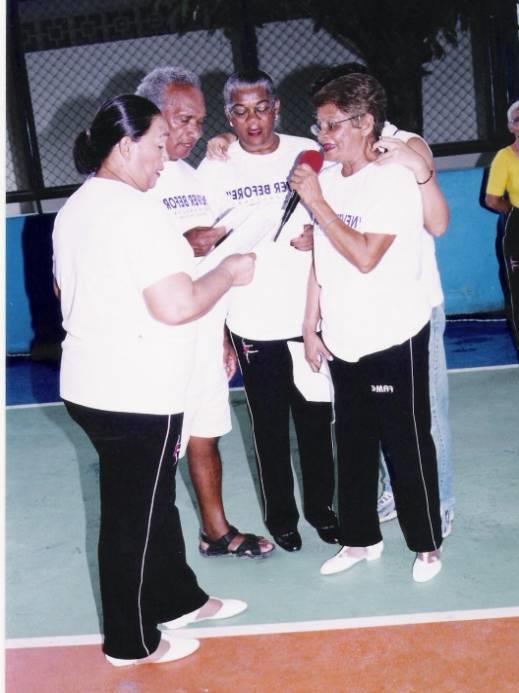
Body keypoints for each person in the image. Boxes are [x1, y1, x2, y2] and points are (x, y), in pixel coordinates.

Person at [52, 94, 255, 666]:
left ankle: (176, 598)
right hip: (134, 392)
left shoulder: (78, 208)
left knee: (148, 500)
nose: (166, 159)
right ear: (127, 144)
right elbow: (177, 303)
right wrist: (231, 272)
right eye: (159, 145)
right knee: (131, 516)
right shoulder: (135, 212)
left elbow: (68, 293)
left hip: (95, 384)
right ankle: (130, 641)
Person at [290, 73, 443, 582]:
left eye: (332, 124)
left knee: (406, 440)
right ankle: (359, 540)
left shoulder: (390, 181)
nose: (322, 135)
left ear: (365, 123)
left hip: (392, 333)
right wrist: (310, 326)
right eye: (319, 124)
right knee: (351, 442)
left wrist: (317, 204)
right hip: (344, 336)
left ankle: (426, 546)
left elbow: (363, 256)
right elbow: (322, 263)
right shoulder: (329, 181)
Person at [135, 66, 274, 559]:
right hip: (158, 337)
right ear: (153, 117)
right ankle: (152, 546)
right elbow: (126, 258)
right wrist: (183, 246)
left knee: (205, 432)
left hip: (203, 329)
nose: (193, 133)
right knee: (156, 450)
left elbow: (208, 260)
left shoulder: (192, 175)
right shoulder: (131, 175)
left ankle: (216, 532)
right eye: (183, 120)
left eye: (199, 122)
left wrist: (219, 334)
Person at [197, 69, 338, 552]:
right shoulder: (216, 165)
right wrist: (216, 330)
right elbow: (202, 248)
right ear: (227, 116)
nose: (252, 120)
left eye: (261, 108)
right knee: (270, 428)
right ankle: (282, 518)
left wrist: (318, 237)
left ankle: (322, 510)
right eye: (240, 110)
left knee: (317, 423)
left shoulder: (308, 152)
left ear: (276, 107)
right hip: (250, 320)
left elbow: (343, 214)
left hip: (307, 319)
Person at [485, 99, 519, 351]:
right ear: (511, 127)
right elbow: (492, 199)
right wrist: (514, 213)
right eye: (518, 120)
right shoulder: (504, 158)